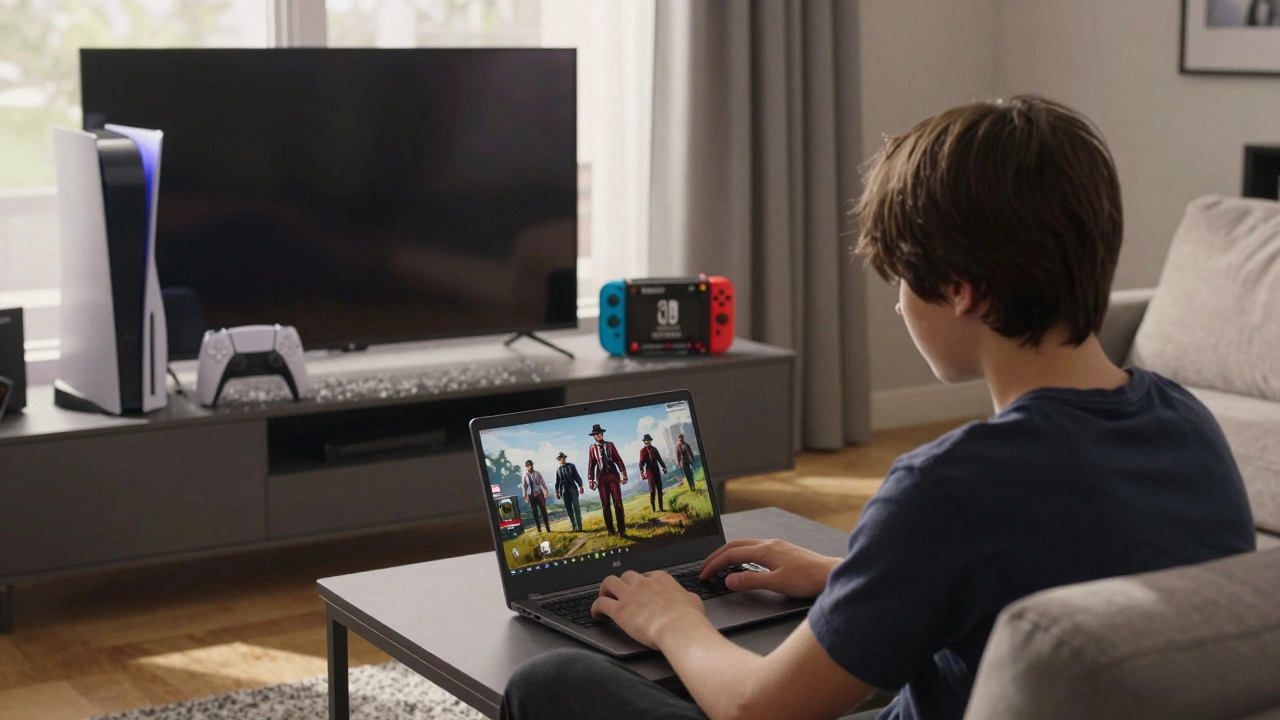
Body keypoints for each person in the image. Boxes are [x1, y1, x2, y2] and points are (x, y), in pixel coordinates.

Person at [500, 95, 1256, 720]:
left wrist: (674, 622)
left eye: (903, 278)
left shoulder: (947, 486)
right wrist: (847, 575)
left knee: (550, 683)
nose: (897, 306)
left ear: (962, 289)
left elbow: (755, 710)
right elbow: (1056, 577)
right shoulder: (1186, 424)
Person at [586, 423, 629, 537]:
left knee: (618, 503)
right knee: (605, 505)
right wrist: (591, 480)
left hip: (613, 476)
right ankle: (610, 530)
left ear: (602, 433)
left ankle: (622, 530)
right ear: (594, 436)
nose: (599, 435)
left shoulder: (610, 445)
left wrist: (623, 473)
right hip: (601, 478)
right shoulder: (592, 448)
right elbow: (591, 465)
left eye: (600, 433)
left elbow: (618, 459)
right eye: (596, 434)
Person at [638, 434, 670, 512]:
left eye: (649, 440)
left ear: (650, 441)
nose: (647, 441)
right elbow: (641, 463)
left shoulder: (654, 449)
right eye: (646, 440)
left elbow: (659, 459)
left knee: (659, 488)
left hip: (656, 470)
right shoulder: (643, 451)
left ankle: (661, 508)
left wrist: (664, 467)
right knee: (652, 490)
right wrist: (642, 473)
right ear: (644, 441)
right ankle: (653, 508)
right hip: (649, 471)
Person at [555, 451, 586, 532]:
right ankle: (574, 526)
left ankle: (580, 527)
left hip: (573, 490)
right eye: (559, 458)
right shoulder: (558, 470)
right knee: (569, 509)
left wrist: (581, 486)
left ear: (564, 458)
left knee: (576, 508)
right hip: (564, 492)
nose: (561, 459)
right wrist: (557, 492)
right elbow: (557, 482)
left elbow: (577, 477)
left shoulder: (571, 466)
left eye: (562, 458)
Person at [521, 460, 551, 534]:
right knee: (535, 512)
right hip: (531, 496)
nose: (531, 467)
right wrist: (525, 496)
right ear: (526, 467)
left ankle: (547, 527)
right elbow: (524, 486)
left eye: (531, 465)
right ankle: (539, 529)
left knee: (543, 510)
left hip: (539, 494)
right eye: (529, 466)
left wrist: (546, 491)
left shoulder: (537, 473)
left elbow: (543, 482)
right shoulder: (525, 475)